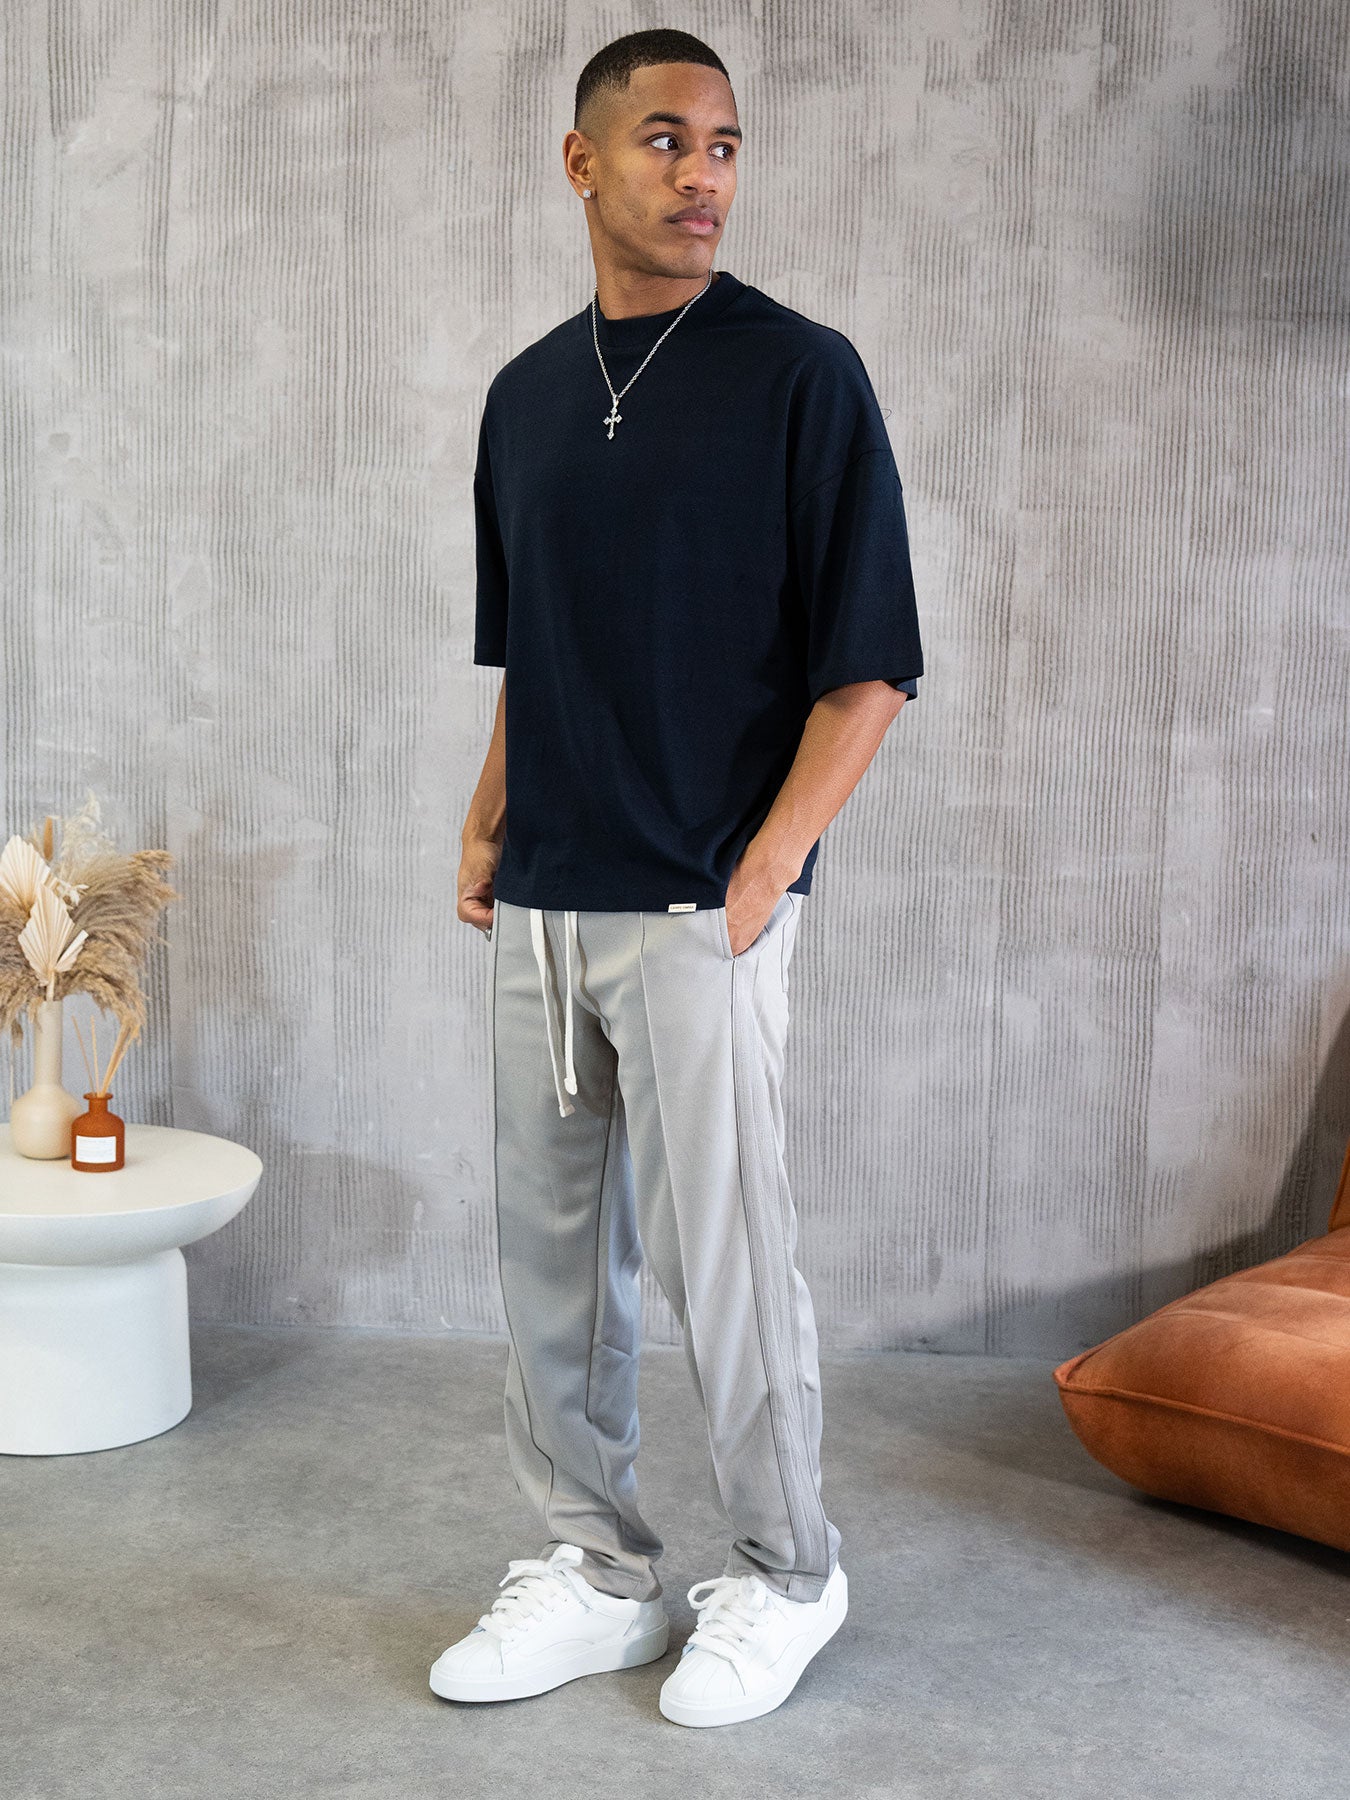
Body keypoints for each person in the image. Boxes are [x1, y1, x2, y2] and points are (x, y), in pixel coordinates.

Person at [432, 27, 923, 1729]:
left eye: (722, 144)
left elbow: (870, 667)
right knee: (551, 1271)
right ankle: (596, 1570)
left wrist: (766, 872)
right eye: (662, 140)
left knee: (730, 1268)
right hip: (546, 899)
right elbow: (534, 648)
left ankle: (788, 1574)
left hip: (698, 902)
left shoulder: (800, 376)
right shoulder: (524, 396)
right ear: (580, 163)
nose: (701, 173)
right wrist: (487, 818)